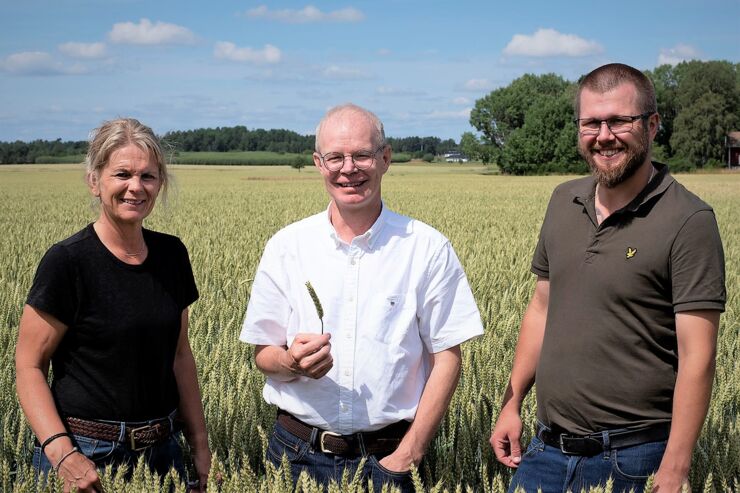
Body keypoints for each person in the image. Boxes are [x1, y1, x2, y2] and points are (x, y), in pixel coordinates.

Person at [489, 63, 726, 493]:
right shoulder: (563, 200)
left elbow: (699, 357)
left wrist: (675, 468)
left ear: (652, 125)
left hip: (635, 459)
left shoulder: (689, 220)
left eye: (619, 120)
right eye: (591, 122)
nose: (603, 135)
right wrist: (512, 404)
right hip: (544, 452)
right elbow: (541, 310)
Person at [240, 103, 483, 492]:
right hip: (295, 455)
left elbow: (448, 357)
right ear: (319, 163)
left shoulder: (427, 248)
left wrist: (410, 453)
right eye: (335, 157)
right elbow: (263, 355)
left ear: (385, 159)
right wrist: (292, 362)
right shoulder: (287, 246)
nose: (348, 168)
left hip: (390, 457)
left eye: (362, 155)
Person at [15, 118, 211, 493]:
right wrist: (62, 453)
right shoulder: (68, 262)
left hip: (162, 452)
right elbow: (28, 365)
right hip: (88, 455)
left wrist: (199, 445)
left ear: (160, 183)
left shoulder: (172, 255)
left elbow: (180, 356)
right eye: (122, 174)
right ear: (95, 180)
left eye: (148, 177)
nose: (135, 187)